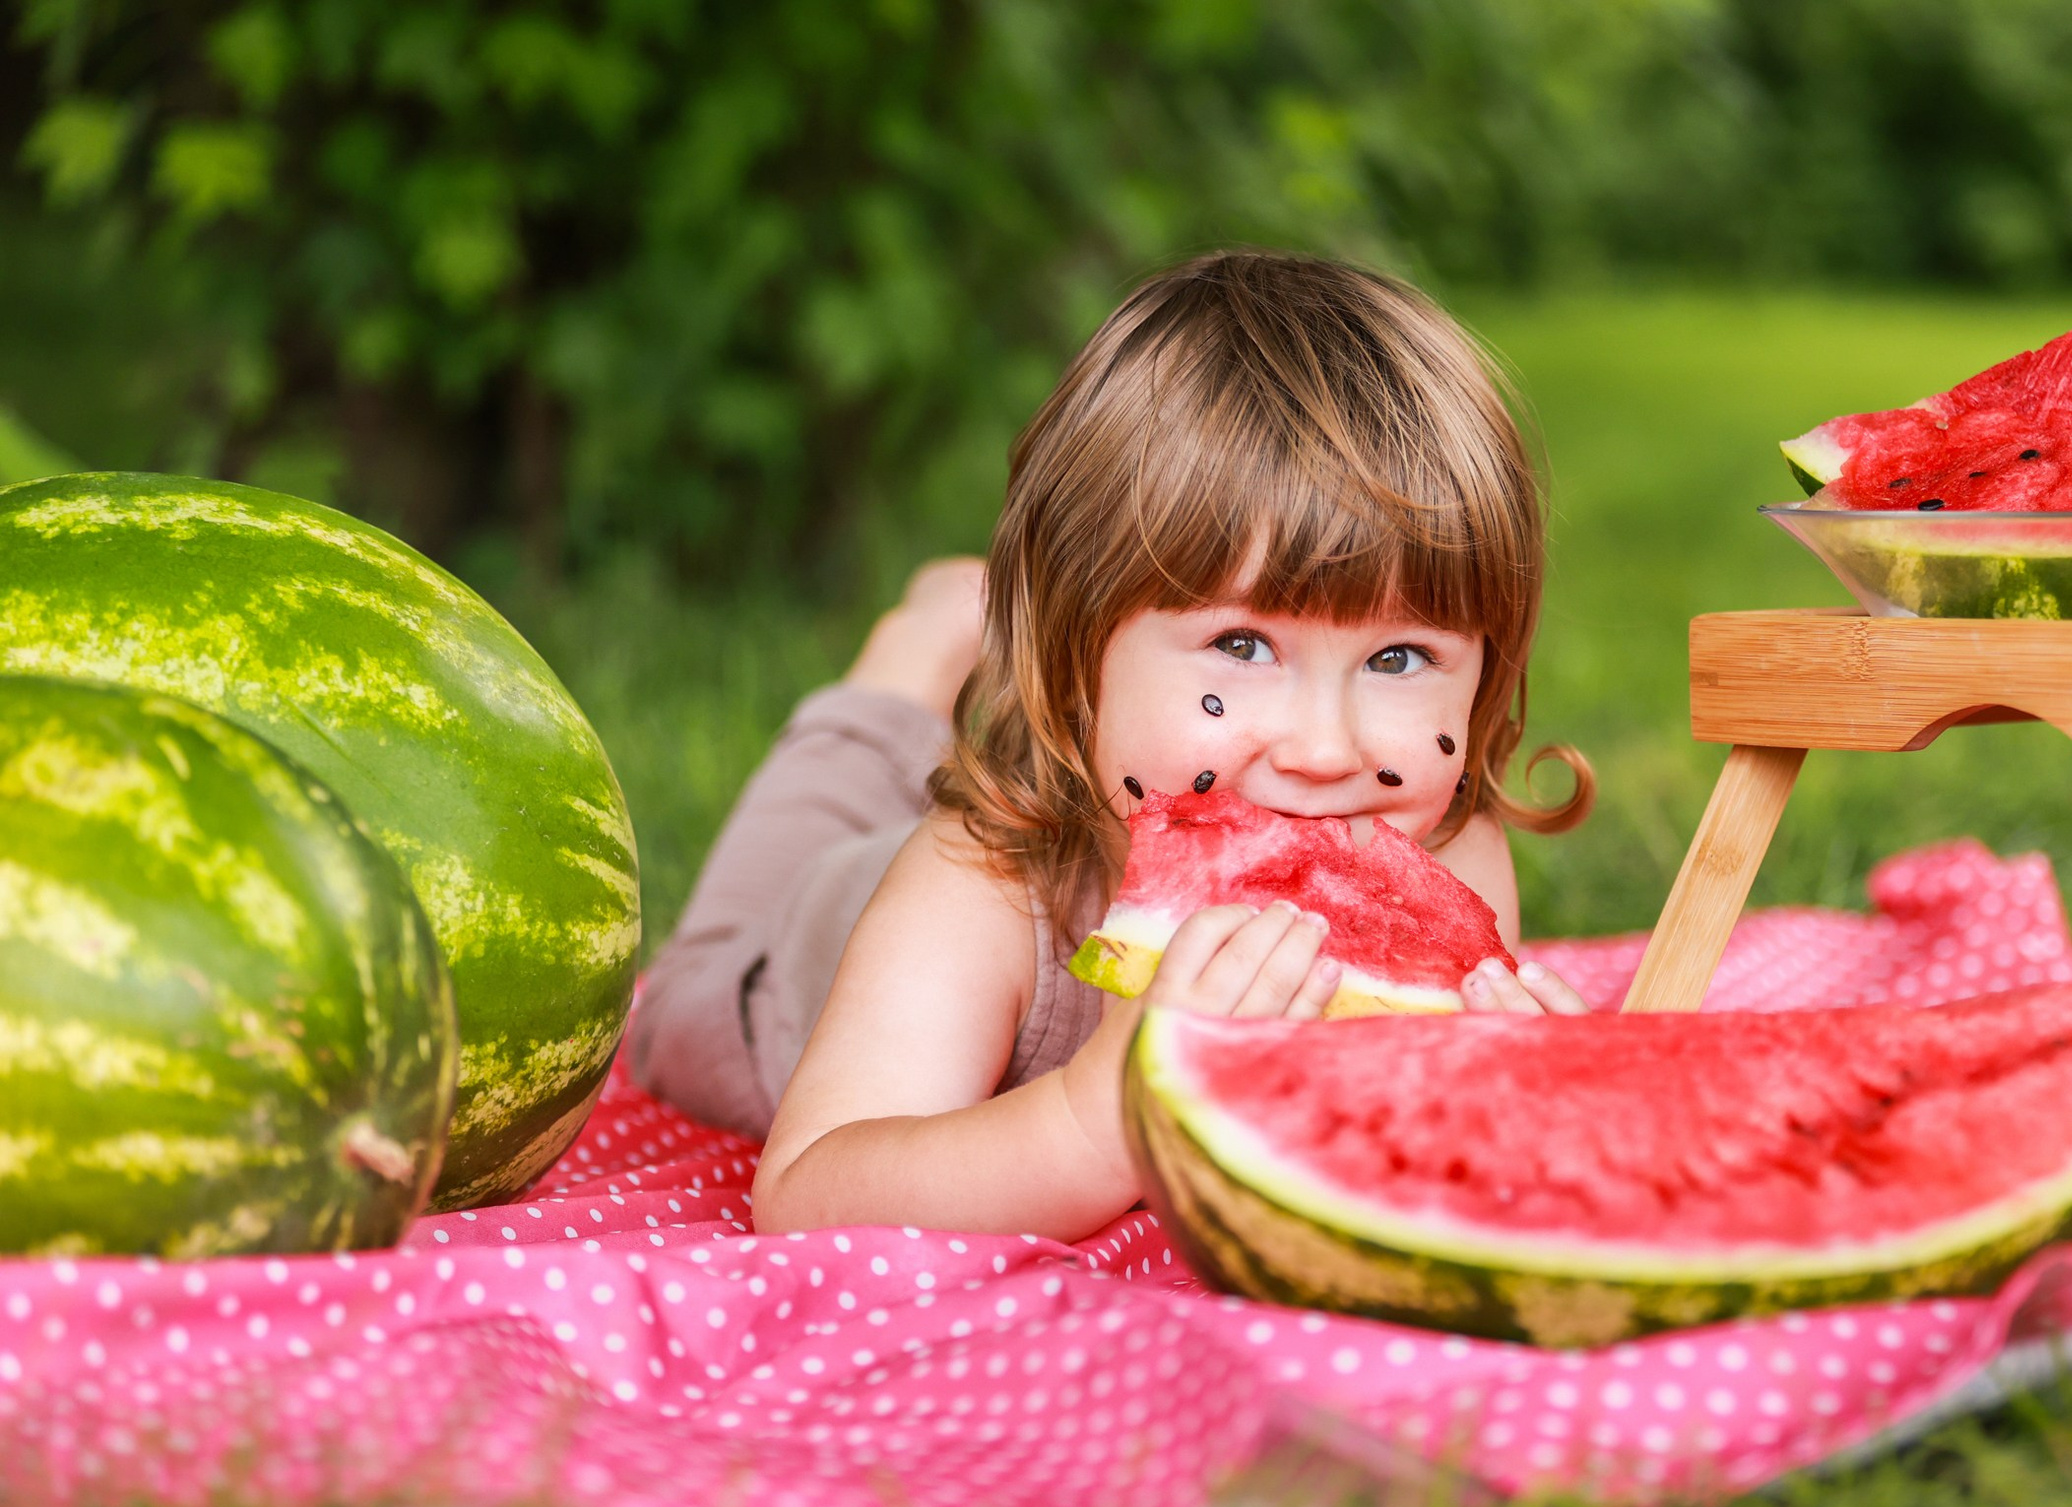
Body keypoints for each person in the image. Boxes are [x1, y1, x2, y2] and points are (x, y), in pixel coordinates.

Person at [629, 250, 1593, 1242]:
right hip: (797, 956)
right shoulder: (982, 880)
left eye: (1397, 657)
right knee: (740, 917)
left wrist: (1507, 1106)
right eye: (1241, 644)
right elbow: (806, 1193)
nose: (1323, 749)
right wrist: (1102, 1114)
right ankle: (918, 646)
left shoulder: (1445, 854)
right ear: (1074, 652)